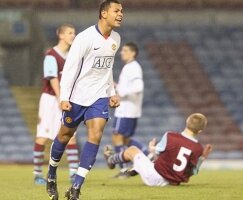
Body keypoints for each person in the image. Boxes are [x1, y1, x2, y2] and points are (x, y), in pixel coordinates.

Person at [46, 1, 123, 199]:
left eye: (122, 11)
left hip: (99, 96)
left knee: (96, 134)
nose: (121, 14)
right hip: (76, 97)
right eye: (117, 11)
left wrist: (112, 91)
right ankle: (52, 174)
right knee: (64, 135)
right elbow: (70, 69)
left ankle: (76, 187)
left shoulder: (116, 38)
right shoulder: (84, 38)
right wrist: (64, 98)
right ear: (104, 13)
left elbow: (108, 69)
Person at [104, 113, 213, 186]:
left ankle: (111, 160)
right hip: (172, 182)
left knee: (132, 150)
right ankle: (132, 170)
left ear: (187, 122)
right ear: (200, 131)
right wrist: (203, 157)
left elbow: (156, 152)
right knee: (154, 160)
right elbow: (193, 171)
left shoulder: (170, 135)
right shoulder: (198, 148)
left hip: (154, 176)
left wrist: (152, 146)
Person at [33, 24, 79, 185]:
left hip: (64, 99)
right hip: (51, 100)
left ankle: (74, 173)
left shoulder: (71, 56)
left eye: (74, 32)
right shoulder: (51, 55)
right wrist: (61, 98)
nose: (73, 35)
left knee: (71, 135)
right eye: (70, 33)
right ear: (61, 35)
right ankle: (37, 173)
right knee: (43, 136)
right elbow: (52, 78)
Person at [112, 42, 148, 173]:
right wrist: (117, 86)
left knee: (117, 136)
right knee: (126, 139)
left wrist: (121, 91)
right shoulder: (130, 67)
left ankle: (123, 168)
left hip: (126, 109)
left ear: (133, 53)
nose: (121, 52)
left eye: (125, 50)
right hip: (130, 109)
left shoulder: (132, 67)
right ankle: (146, 153)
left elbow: (139, 87)